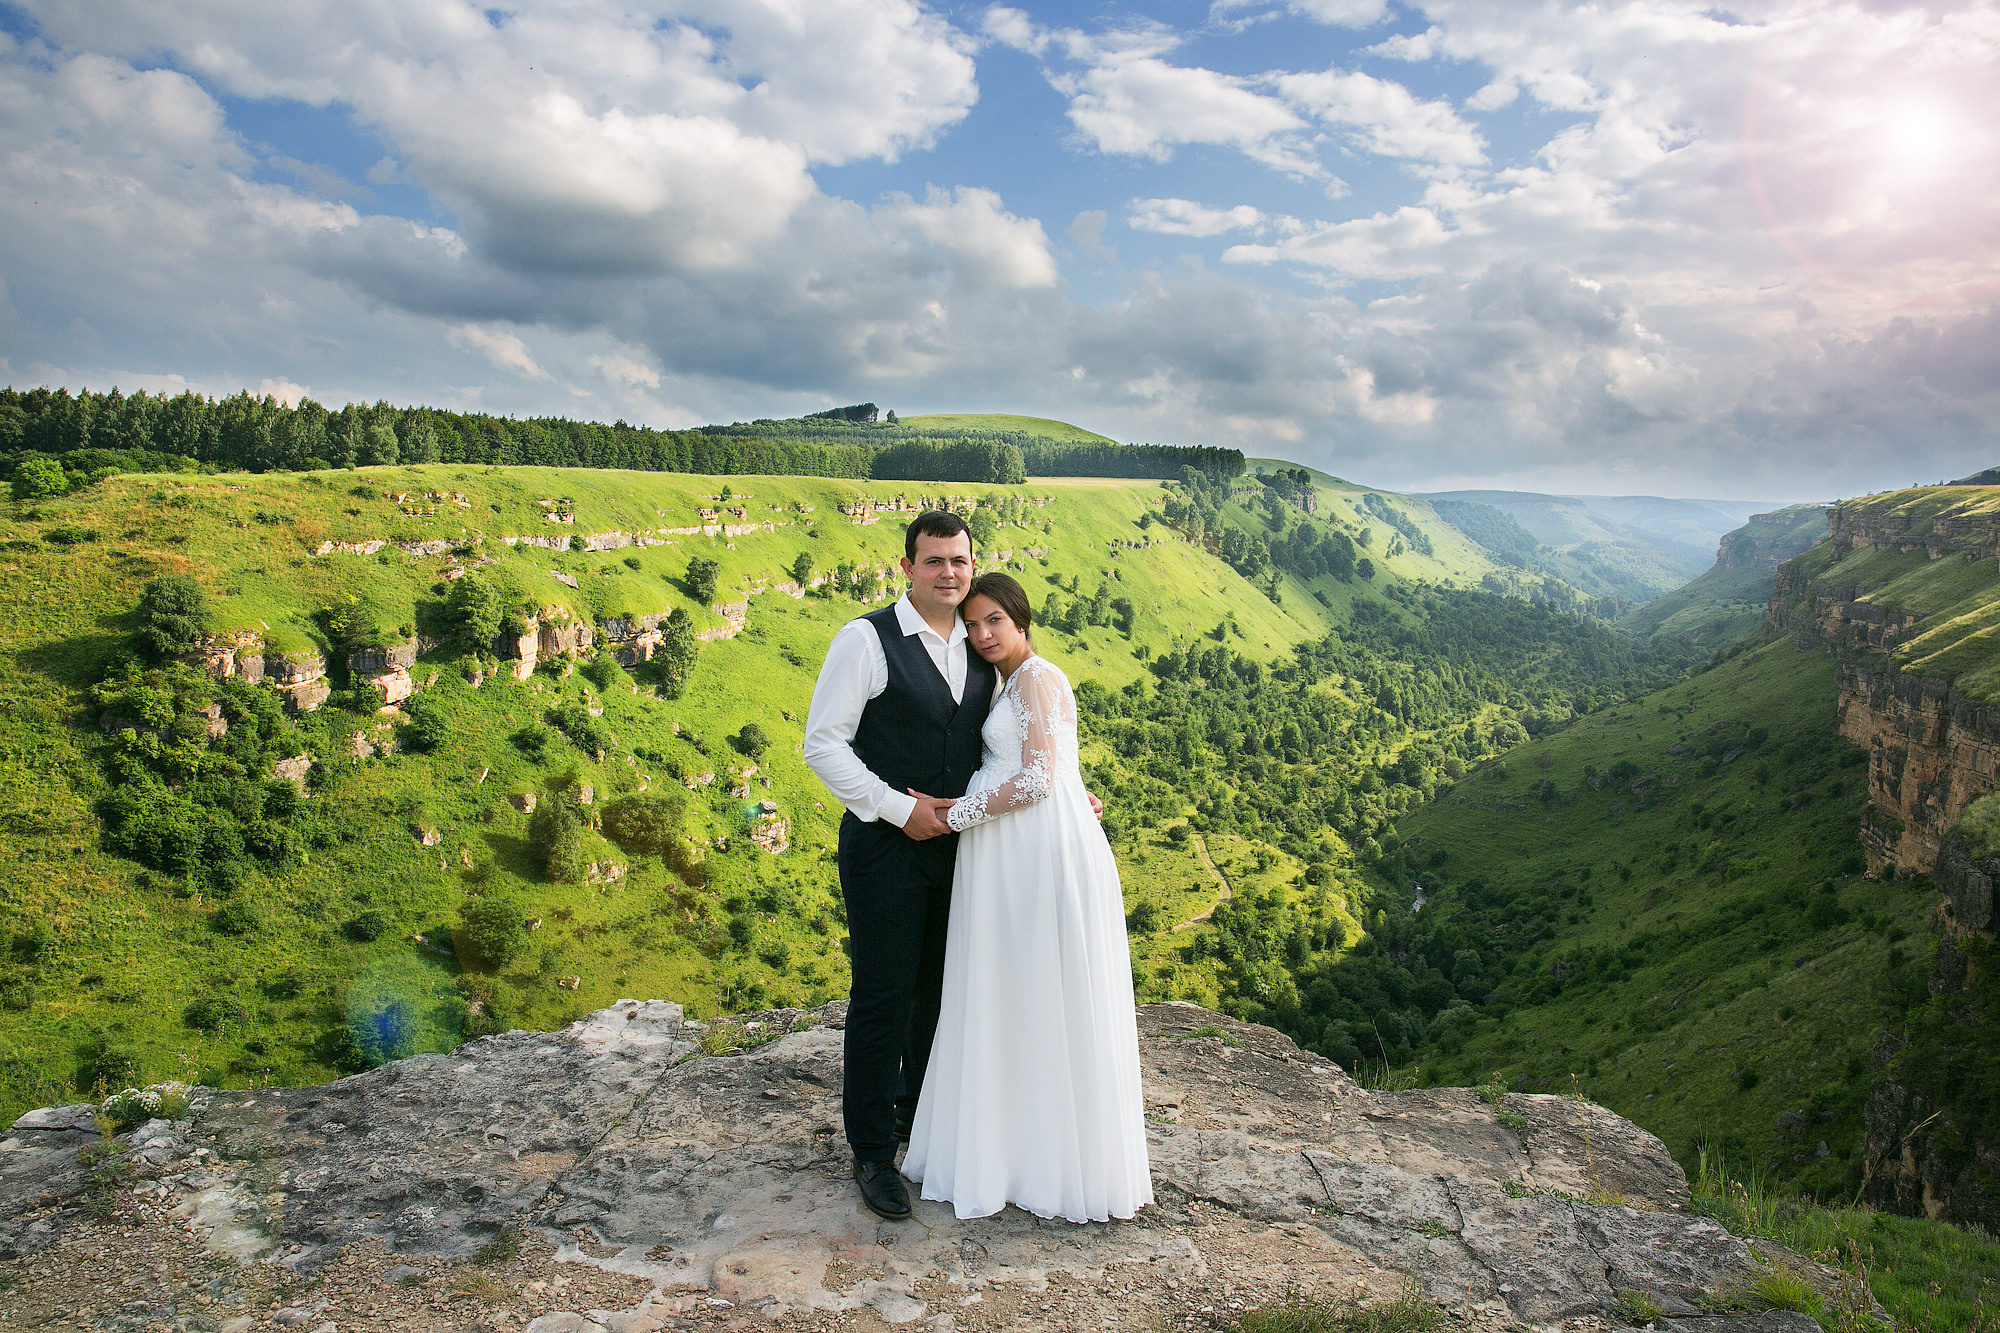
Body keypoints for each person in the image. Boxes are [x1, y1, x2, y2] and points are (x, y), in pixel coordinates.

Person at [901, 572, 1154, 1223]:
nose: (983, 635)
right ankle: (1016, 1151)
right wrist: (1078, 788)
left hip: (1033, 852)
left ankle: (1048, 1162)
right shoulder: (1009, 681)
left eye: (995, 622)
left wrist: (954, 814)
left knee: (1040, 993)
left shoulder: (1038, 676)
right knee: (1018, 996)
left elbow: (1040, 778)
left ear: (1021, 620)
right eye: (974, 624)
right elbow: (1055, 762)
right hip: (1012, 852)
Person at [802, 511, 996, 1222]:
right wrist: (893, 806)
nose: (949, 572)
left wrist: (1064, 788)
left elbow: (1008, 736)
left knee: (937, 991)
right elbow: (822, 744)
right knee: (883, 996)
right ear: (907, 565)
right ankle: (872, 1150)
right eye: (935, 560)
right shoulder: (866, 639)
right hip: (883, 848)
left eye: (960, 561)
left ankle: (921, 1122)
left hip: (959, 847)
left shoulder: (981, 638)